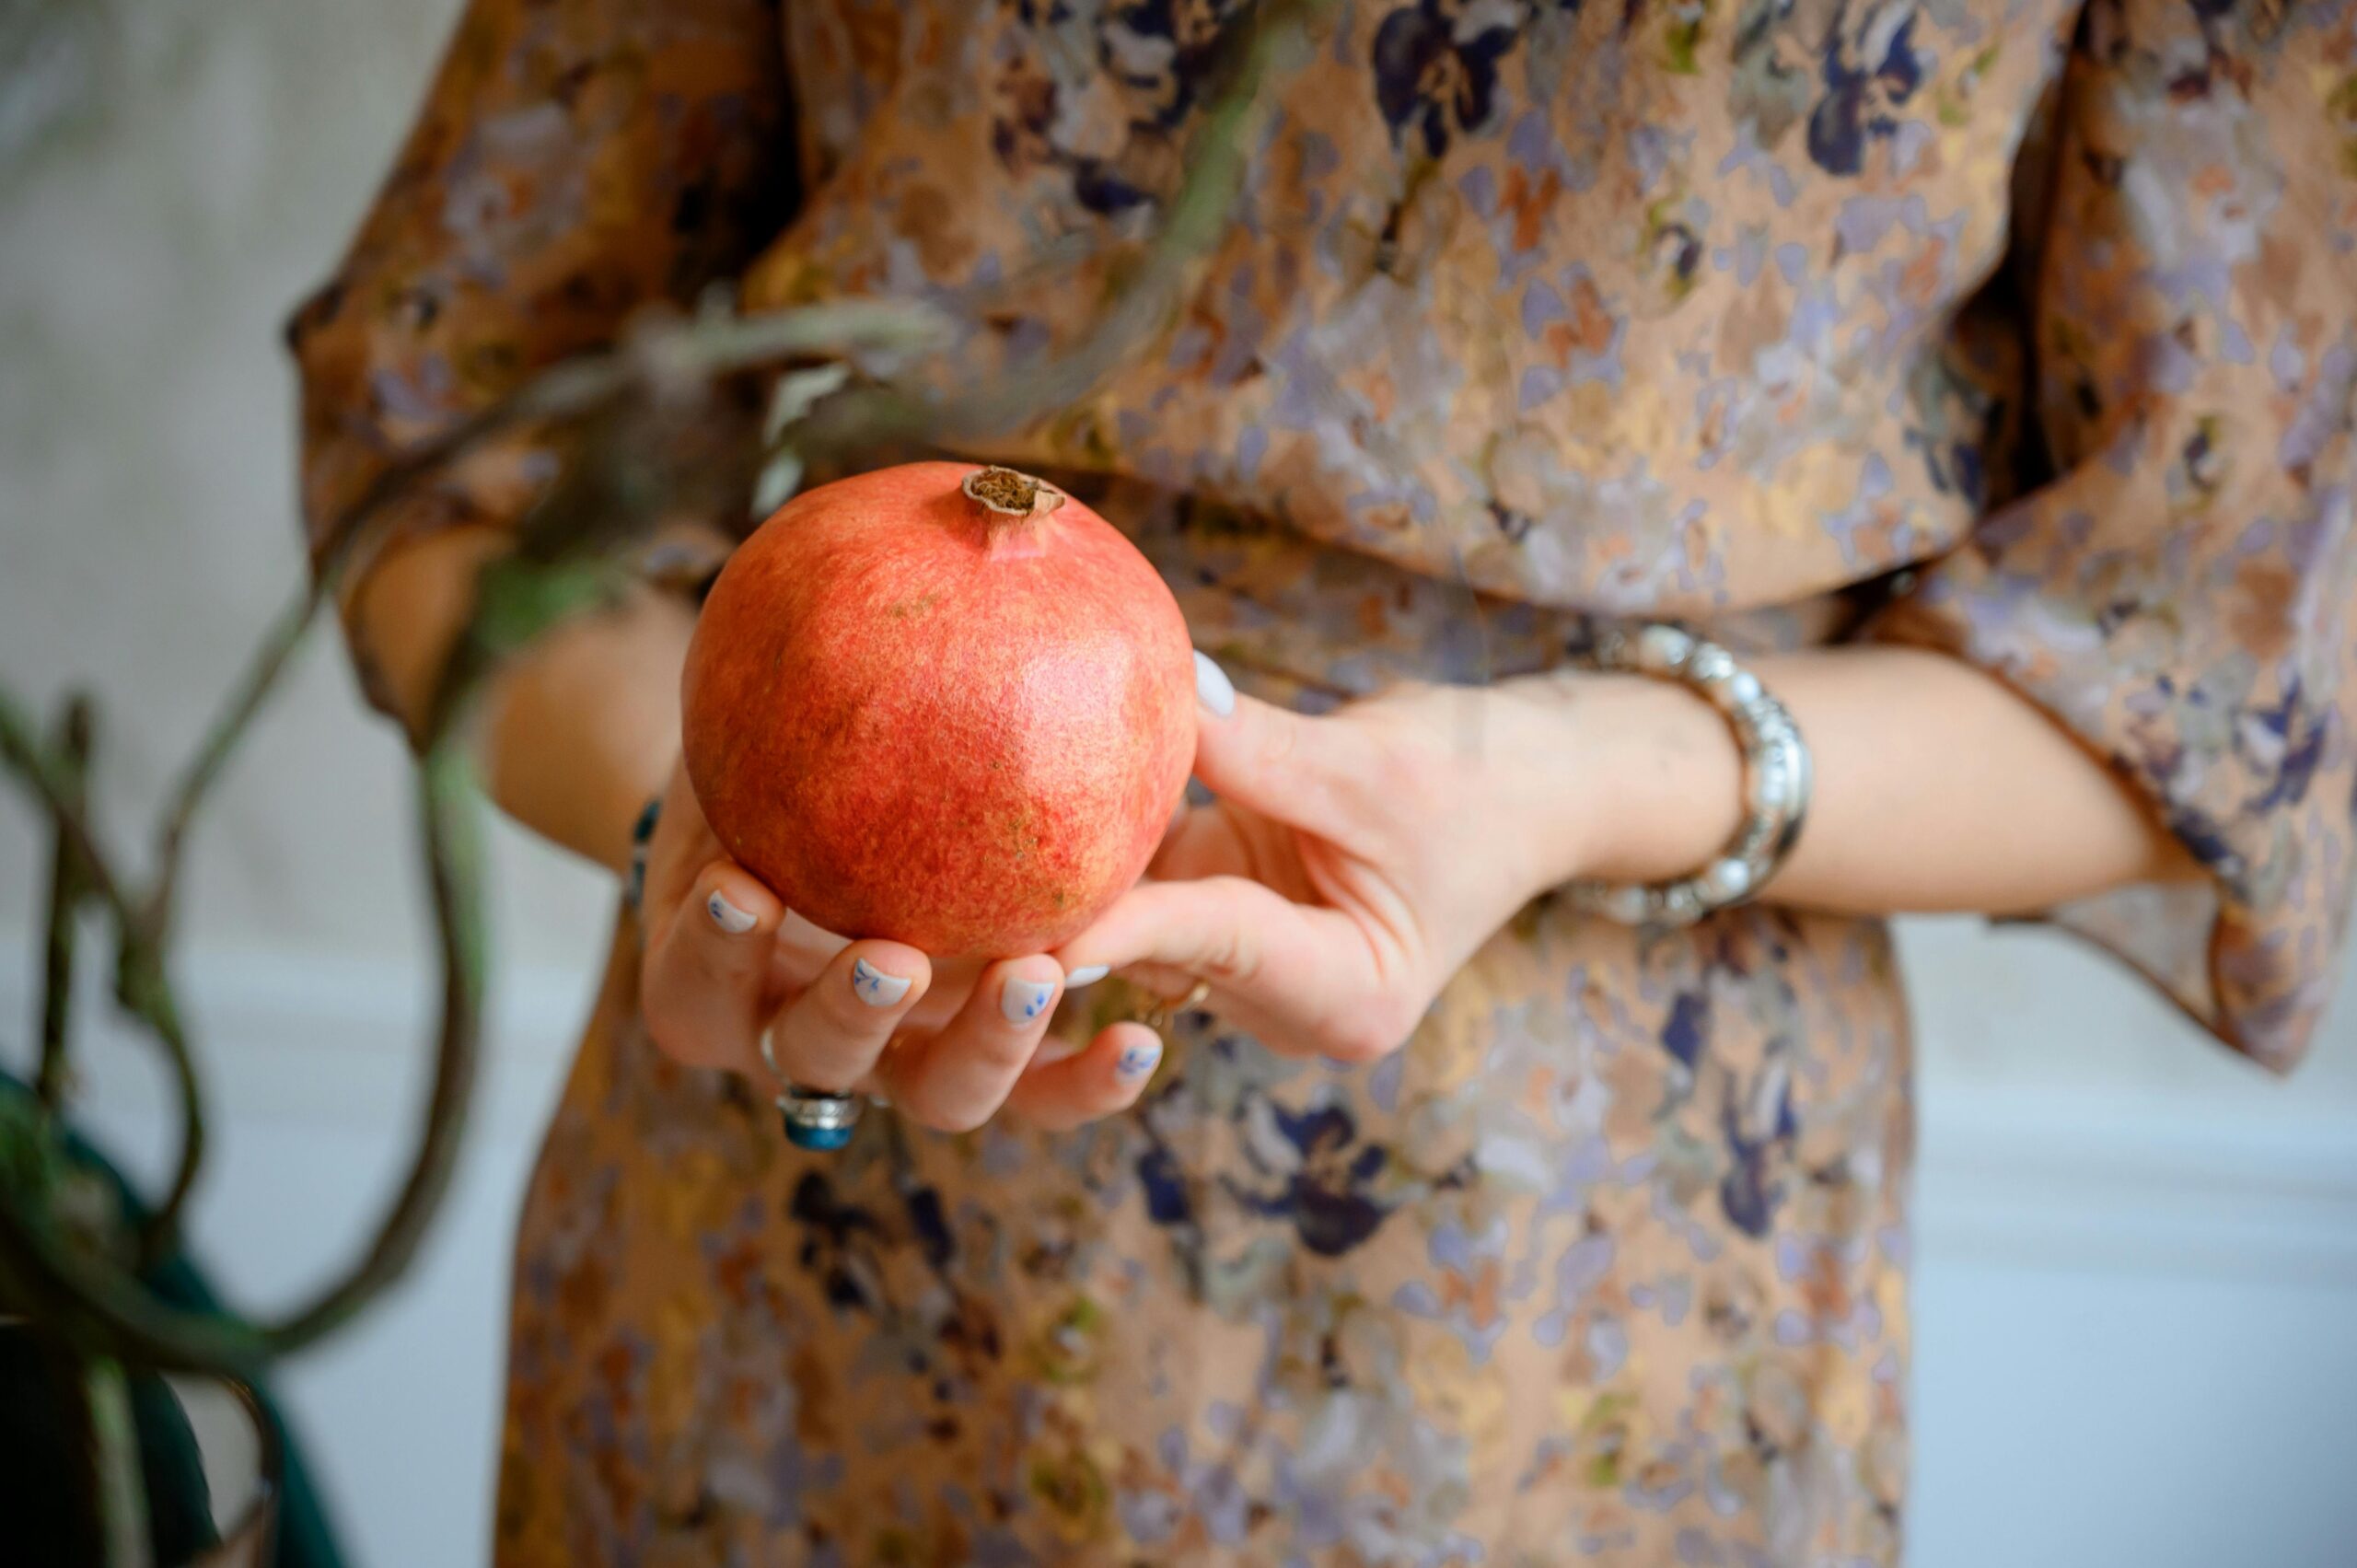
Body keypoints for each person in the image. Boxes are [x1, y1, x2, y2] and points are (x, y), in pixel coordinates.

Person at [287, 0, 2354, 1562]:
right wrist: (691, 818)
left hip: (1585, 1306)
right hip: (790, 1224)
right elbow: (440, 437)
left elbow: (2226, 682)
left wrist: (1573, 773)